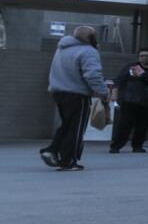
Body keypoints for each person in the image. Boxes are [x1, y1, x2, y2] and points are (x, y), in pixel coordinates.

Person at [44, 25, 111, 171]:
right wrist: (104, 92)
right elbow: (92, 75)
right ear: (91, 38)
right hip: (77, 94)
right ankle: (68, 161)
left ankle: (52, 150)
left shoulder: (62, 48)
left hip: (58, 91)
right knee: (76, 128)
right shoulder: (88, 51)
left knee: (67, 125)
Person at [110, 48, 148, 154]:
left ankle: (137, 146)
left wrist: (143, 75)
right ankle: (116, 146)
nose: (144, 58)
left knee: (142, 126)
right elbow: (119, 80)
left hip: (147, 101)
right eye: (141, 56)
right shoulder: (131, 67)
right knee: (124, 124)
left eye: (146, 55)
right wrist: (114, 96)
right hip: (129, 100)